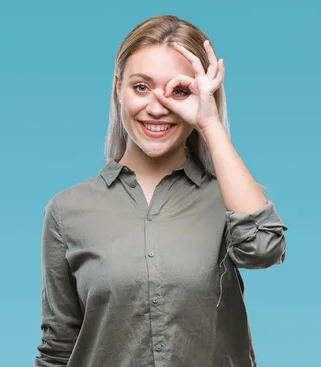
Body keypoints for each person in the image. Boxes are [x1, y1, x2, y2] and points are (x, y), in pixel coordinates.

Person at [34, 15, 288, 367]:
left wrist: (210, 123)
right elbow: (58, 347)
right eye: (141, 87)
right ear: (117, 88)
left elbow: (264, 249)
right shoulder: (67, 211)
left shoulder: (229, 201)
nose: (156, 107)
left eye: (179, 91)